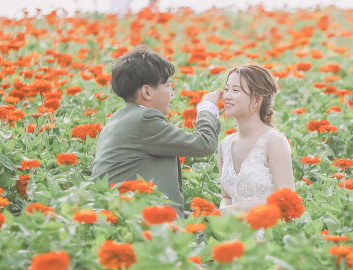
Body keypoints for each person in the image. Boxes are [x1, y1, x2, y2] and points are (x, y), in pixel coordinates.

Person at [91, 46, 221, 220]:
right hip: (139, 223)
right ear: (146, 91)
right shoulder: (144, 119)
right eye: (168, 85)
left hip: (121, 215)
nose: (172, 92)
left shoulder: (117, 119)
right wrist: (207, 109)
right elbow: (203, 144)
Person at [217, 63, 294, 216]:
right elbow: (226, 197)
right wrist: (223, 211)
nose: (227, 96)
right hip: (232, 232)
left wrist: (235, 209)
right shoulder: (224, 146)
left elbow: (286, 198)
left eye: (236, 90)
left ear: (257, 100)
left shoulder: (274, 142)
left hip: (268, 231)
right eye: (227, 89)